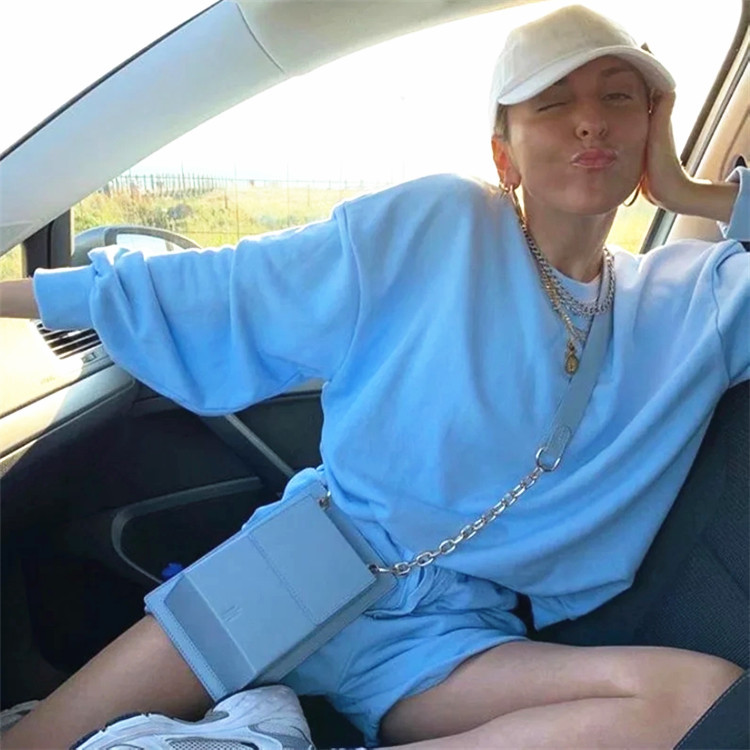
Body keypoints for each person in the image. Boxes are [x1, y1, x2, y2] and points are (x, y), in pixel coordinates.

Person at [2, 4, 748, 749]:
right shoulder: (442, 224)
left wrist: (689, 193)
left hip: (447, 633)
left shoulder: (696, 301)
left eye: (620, 97)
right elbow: (235, 285)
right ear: (504, 156)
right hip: (305, 561)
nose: (590, 123)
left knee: (697, 699)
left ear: (652, 129)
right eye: (552, 103)